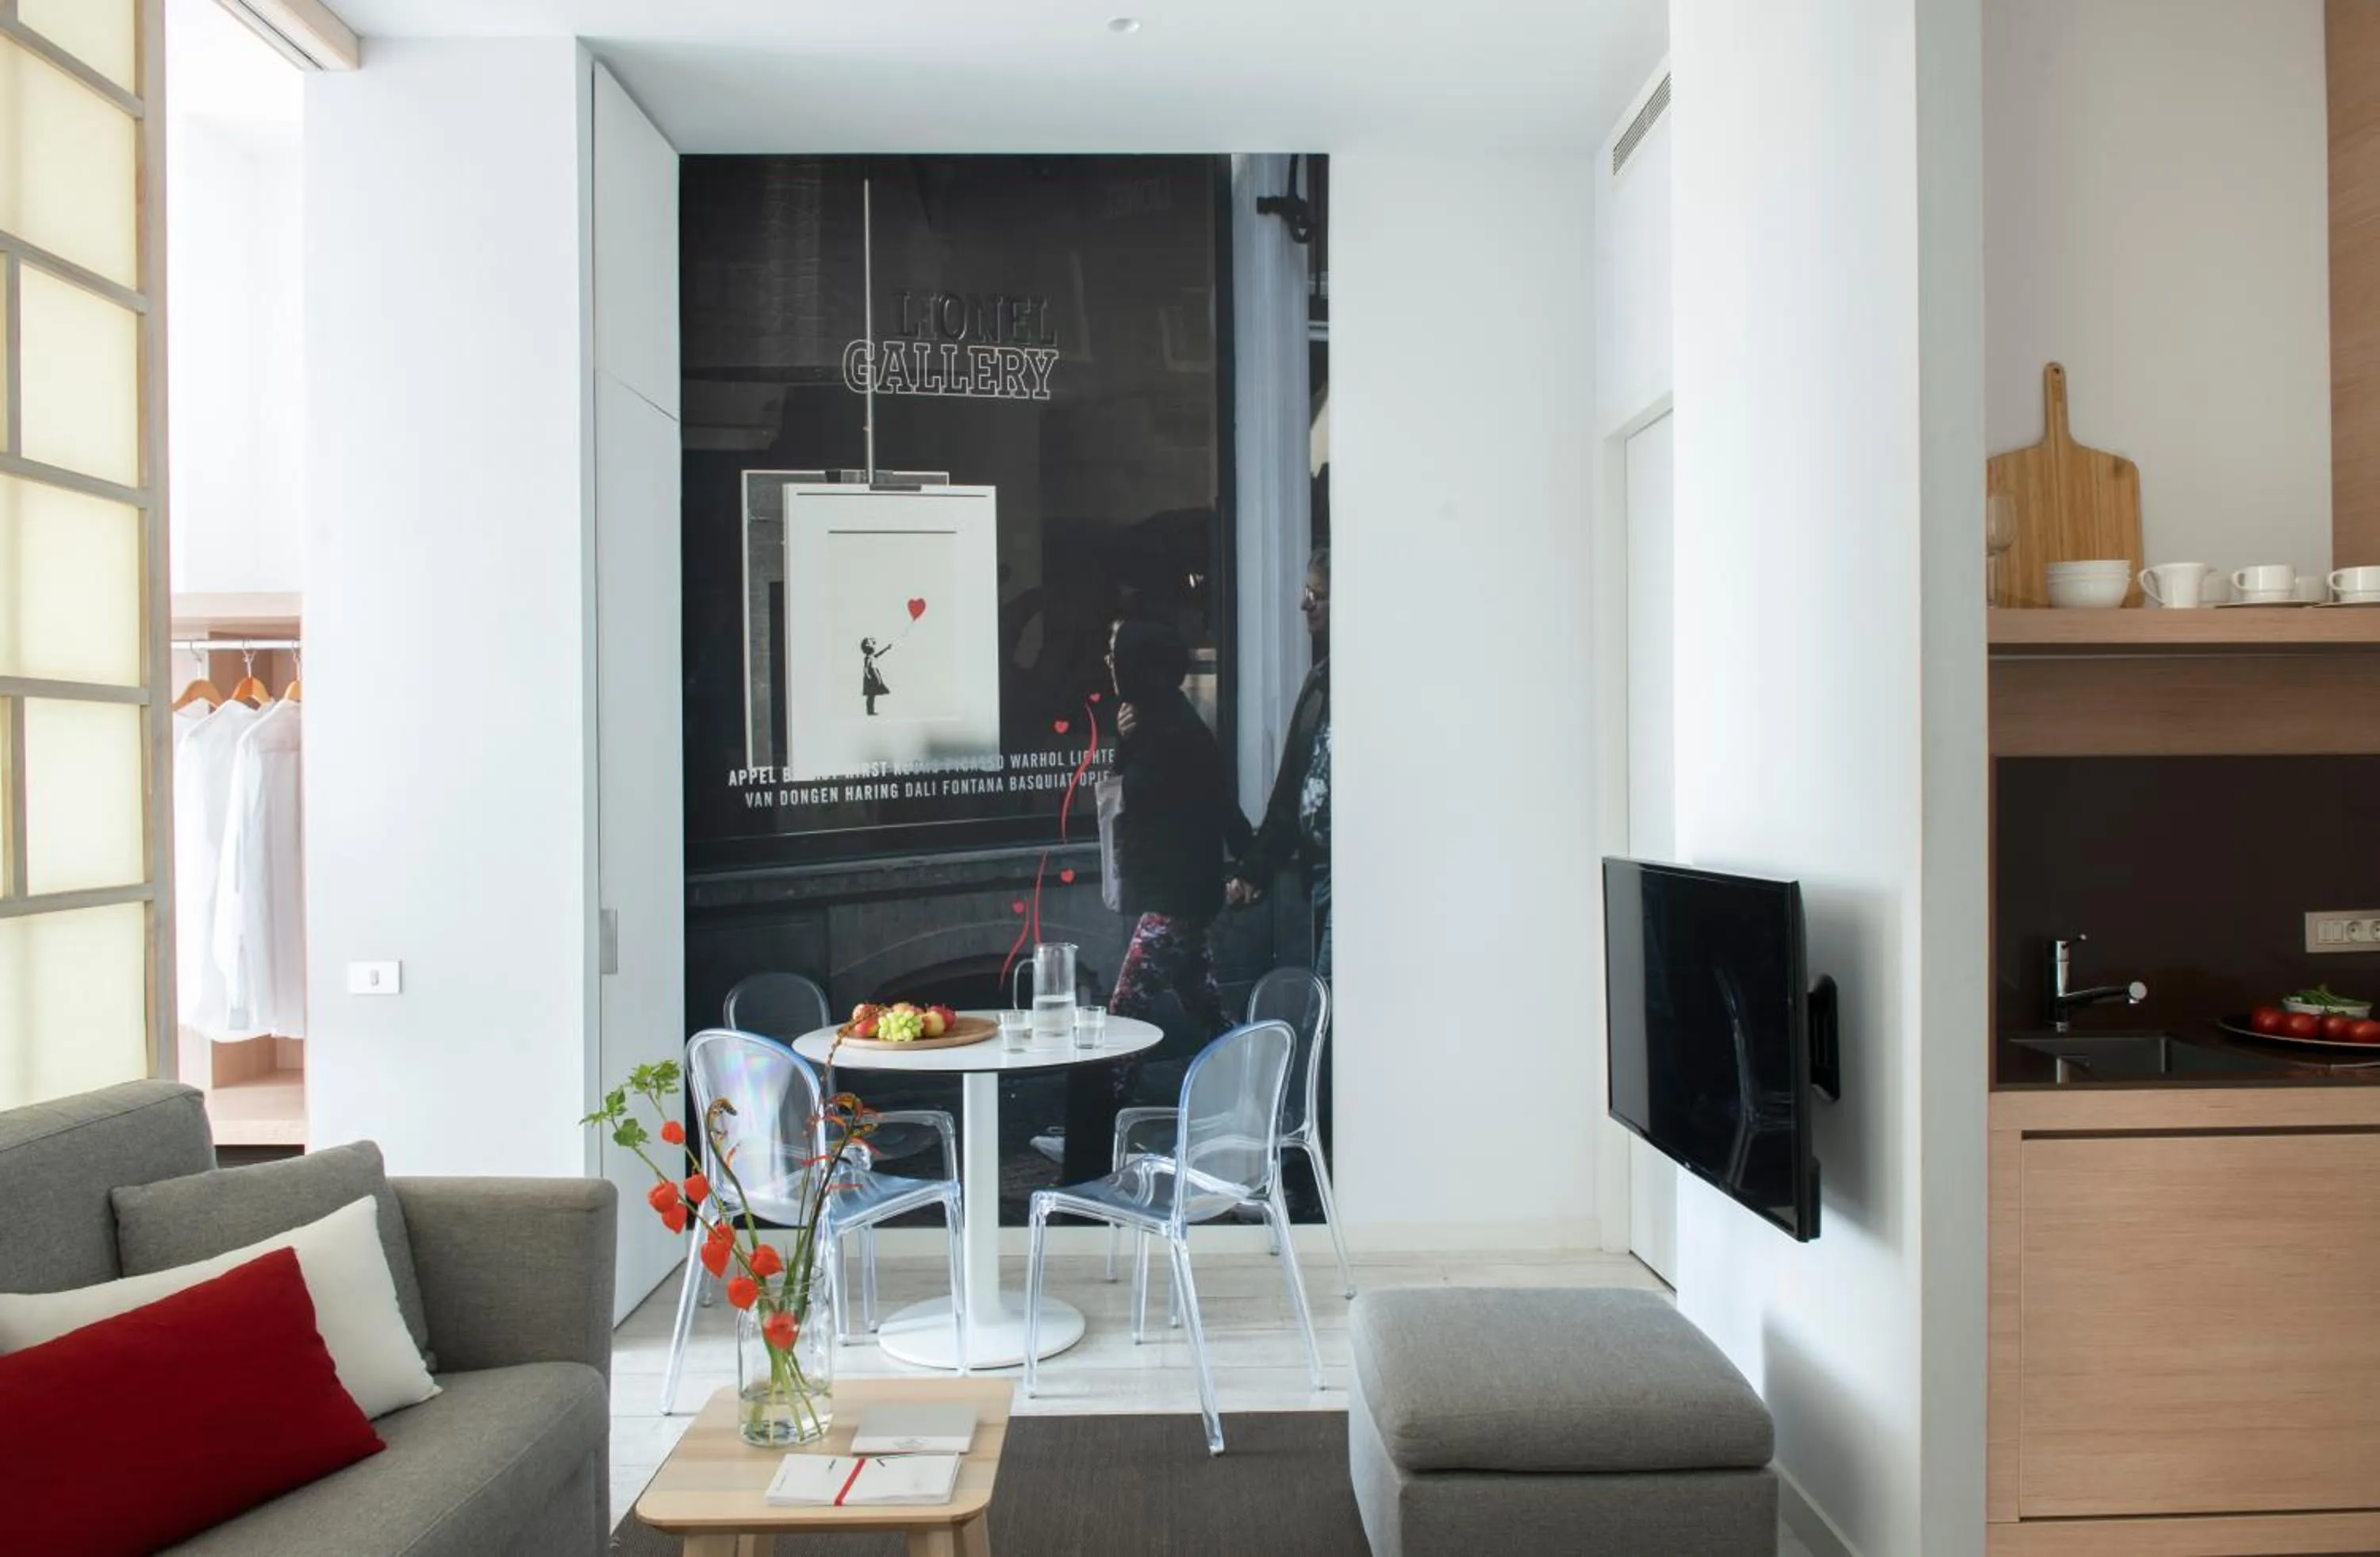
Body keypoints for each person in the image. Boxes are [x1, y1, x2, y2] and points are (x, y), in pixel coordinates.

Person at [1048, 618, 1251, 1182]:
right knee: (1206, 1008)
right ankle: (1255, 1098)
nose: (1109, 663)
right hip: (1177, 894)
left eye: (1117, 653)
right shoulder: (1157, 724)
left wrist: (1250, 861)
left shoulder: (1176, 732)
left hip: (1176, 899)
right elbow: (1137, 799)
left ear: (1140, 661)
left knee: (1124, 1016)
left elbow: (1164, 803)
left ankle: (1093, 1149)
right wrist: (1125, 741)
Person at [1229, 547, 1331, 976]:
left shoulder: (1388, 685)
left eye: (1318, 594)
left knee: (1328, 1014)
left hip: (1368, 884)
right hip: (1322, 880)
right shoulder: (1319, 682)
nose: (1304, 603)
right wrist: (1255, 868)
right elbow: (1291, 789)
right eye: (1307, 590)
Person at [860, 636, 893, 716]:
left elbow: (879, 654)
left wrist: (887, 648)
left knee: (872, 695)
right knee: (871, 695)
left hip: (874, 674)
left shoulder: (872, 656)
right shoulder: (868, 658)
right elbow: (866, 668)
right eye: (870, 644)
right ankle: (870, 711)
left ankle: (871, 711)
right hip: (871, 676)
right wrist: (868, 675)